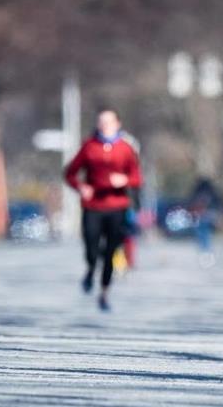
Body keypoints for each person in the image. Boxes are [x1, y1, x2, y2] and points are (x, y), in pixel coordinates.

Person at [63, 109, 142, 311]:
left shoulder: (125, 149)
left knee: (110, 251)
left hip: (117, 207)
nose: (105, 125)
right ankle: (90, 269)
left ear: (118, 124)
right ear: (98, 125)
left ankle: (104, 292)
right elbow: (70, 173)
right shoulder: (89, 147)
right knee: (91, 247)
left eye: (109, 121)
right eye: (101, 122)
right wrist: (81, 187)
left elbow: (137, 178)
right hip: (93, 206)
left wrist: (124, 180)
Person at [188, 177, 223, 266]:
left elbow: (191, 204)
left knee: (201, 234)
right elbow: (218, 205)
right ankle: (207, 252)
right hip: (208, 216)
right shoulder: (212, 193)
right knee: (206, 234)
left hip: (201, 217)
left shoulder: (197, 193)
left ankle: (204, 252)